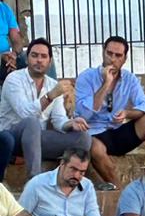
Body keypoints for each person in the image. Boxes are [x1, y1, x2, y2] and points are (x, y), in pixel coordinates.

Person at [73, 35, 145, 187]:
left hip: (118, 129)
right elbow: (84, 114)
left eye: (118, 55)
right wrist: (106, 84)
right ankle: (121, 192)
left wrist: (127, 113)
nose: (112, 59)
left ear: (124, 59)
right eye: (109, 53)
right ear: (103, 53)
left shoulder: (129, 79)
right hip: (94, 132)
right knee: (95, 148)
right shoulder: (86, 77)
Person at [0, 37, 92, 178]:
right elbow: (24, 113)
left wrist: (70, 123)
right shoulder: (13, 79)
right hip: (11, 137)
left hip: (36, 140)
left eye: (44, 57)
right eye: (34, 55)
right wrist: (49, 96)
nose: (39, 60)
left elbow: (58, 120)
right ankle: (35, 180)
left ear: (49, 62)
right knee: (32, 123)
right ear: (26, 59)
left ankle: (65, 180)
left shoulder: (52, 84)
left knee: (83, 138)